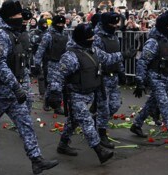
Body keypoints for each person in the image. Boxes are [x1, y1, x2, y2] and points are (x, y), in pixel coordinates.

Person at [0, 1, 58, 174]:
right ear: (8, 17)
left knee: (26, 124)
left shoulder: (14, 33)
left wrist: (20, 87)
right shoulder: (0, 35)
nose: (20, 19)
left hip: (14, 94)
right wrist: (16, 87)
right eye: (17, 16)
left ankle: (36, 160)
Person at [50, 23, 117, 164]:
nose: (93, 39)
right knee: (87, 121)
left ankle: (62, 144)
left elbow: (108, 58)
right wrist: (54, 94)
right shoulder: (71, 56)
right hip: (75, 95)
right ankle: (99, 150)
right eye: (90, 37)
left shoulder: (93, 51)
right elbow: (57, 76)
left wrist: (124, 54)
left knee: (73, 121)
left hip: (90, 93)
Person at [130, 10, 168, 149]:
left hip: (167, 77)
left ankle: (136, 124)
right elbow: (142, 62)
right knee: (165, 107)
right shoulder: (153, 42)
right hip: (156, 78)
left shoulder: (167, 39)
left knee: (151, 104)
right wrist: (139, 81)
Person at [93, 12, 125, 149]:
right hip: (102, 77)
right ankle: (101, 134)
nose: (114, 26)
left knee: (115, 104)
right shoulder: (97, 38)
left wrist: (122, 71)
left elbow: (118, 55)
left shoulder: (114, 37)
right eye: (112, 24)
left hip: (114, 76)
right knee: (104, 107)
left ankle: (98, 120)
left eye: (116, 24)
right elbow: (101, 58)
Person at [34, 15, 67, 114]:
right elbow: (41, 49)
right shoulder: (48, 35)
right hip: (52, 63)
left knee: (58, 85)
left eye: (62, 24)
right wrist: (37, 63)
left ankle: (47, 101)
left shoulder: (65, 35)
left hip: (63, 63)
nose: (61, 25)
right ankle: (56, 106)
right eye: (59, 24)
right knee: (54, 85)